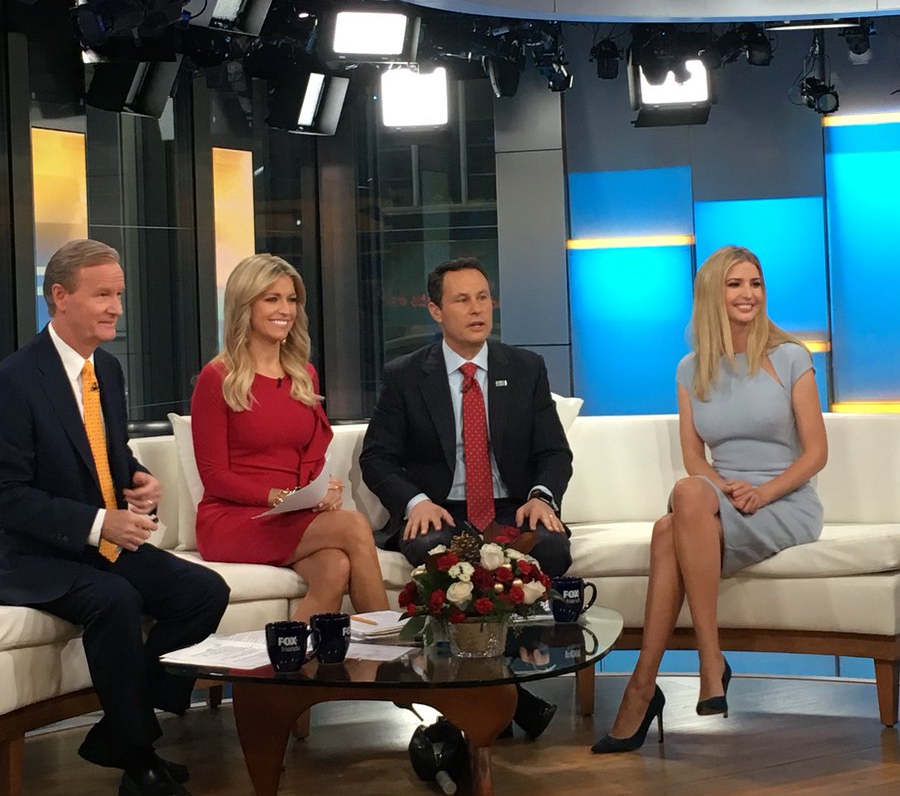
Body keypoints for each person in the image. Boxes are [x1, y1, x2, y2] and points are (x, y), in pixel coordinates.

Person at [0, 239, 230, 796]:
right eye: (103, 294)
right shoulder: (15, 380)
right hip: (31, 555)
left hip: (97, 542)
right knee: (115, 599)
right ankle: (138, 761)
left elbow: (105, 453)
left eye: (119, 295)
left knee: (204, 591)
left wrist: (138, 478)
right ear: (60, 296)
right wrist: (100, 522)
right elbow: (8, 497)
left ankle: (120, 732)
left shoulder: (106, 368)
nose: (117, 308)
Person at [592, 245, 827, 754]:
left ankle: (668, 678)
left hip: (784, 500)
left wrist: (762, 492)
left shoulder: (791, 357)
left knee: (671, 523)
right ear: (711, 295)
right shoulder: (690, 369)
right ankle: (686, 671)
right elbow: (693, 459)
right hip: (721, 497)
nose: (748, 294)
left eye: (755, 283)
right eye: (735, 284)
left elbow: (816, 454)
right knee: (682, 504)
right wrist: (724, 488)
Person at [360, 256, 573, 738]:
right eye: (462, 300)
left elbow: (554, 452)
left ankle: (491, 698)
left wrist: (541, 497)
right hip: (442, 511)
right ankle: (506, 701)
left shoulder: (525, 368)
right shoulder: (406, 374)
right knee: (435, 550)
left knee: (550, 545)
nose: (477, 309)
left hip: (509, 507)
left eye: (483, 297)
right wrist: (415, 501)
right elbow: (377, 458)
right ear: (436, 311)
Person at [191, 253, 388, 621]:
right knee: (353, 524)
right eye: (272, 299)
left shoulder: (303, 374)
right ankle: (390, 642)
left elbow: (309, 453)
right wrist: (278, 496)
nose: (285, 310)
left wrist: (321, 490)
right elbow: (214, 476)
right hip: (234, 520)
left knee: (334, 567)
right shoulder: (217, 377)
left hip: (292, 513)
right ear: (245, 305)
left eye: (291, 299)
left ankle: (291, 656)